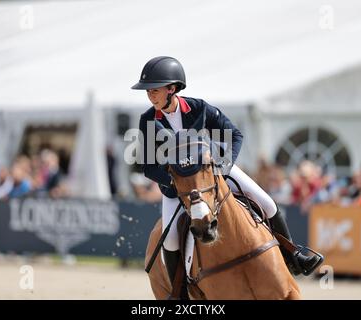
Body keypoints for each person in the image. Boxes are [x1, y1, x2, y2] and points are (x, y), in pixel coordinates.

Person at [132, 56, 322, 293]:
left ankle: (294, 255)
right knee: (169, 238)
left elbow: (234, 135)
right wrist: (176, 181)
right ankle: (179, 294)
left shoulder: (200, 108)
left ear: (172, 89)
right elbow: (147, 167)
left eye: (155, 90)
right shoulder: (148, 120)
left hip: (215, 174)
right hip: (177, 188)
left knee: (267, 203)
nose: (150, 96)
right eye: (148, 91)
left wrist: (223, 165)